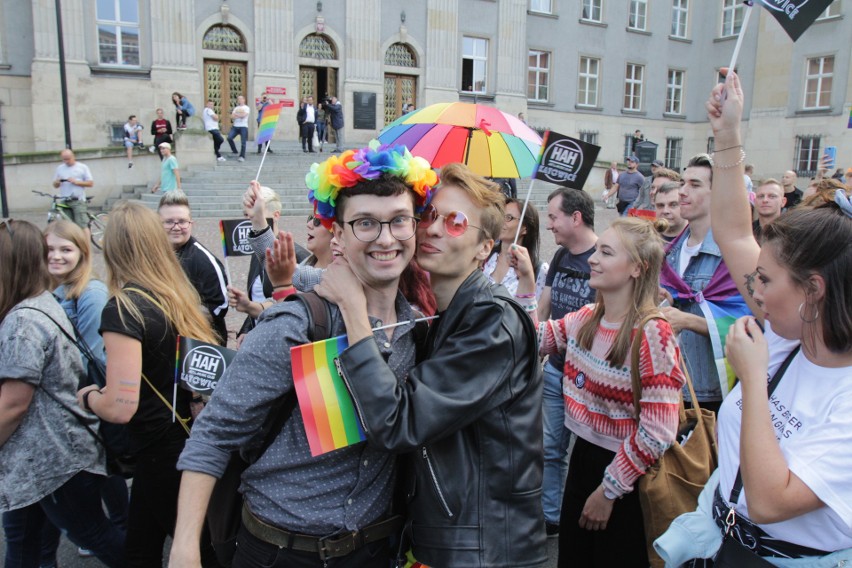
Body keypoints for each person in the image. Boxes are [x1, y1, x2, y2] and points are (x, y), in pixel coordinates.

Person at [169, 144, 438, 568]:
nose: (386, 238)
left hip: (372, 550)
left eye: (399, 221)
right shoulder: (298, 326)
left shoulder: (417, 327)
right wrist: (185, 549)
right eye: (366, 223)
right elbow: (214, 433)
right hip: (281, 552)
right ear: (340, 234)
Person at [657, 69, 852, 566]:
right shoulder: (792, 334)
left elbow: (769, 501)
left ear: (813, 291)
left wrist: (752, 378)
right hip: (723, 540)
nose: (753, 291)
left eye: (764, 281)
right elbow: (734, 232)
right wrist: (728, 136)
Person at [316, 163, 546, 567]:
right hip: (451, 537)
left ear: (484, 248)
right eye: (429, 215)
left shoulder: (494, 320)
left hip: (484, 549)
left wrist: (353, 308)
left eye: (456, 222)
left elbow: (398, 422)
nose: (434, 229)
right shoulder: (447, 312)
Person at [512, 217, 685, 567]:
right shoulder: (587, 317)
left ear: (637, 268)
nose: (592, 258)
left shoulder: (653, 333)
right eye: (597, 250)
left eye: (606, 252)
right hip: (582, 463)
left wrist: (609, 491)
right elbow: (533, 338)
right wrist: (528, 284)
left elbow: (657, 432)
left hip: (628, 479)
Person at [75, 202, 220, 567]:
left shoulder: (124, 308)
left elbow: (121, 406)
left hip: (158, 447)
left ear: (115, 248)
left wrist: (89, 396)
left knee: (199, 552)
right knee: (140, 547)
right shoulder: (174, 295)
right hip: (180, 436)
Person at [0, 220, 126, 568]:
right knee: (28, 545)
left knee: (94, 535)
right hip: (42, 462)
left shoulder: (23, 321)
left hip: (52, 460)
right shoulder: (39, 301)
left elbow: (14, 403)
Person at [43, 220, 131, 558]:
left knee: (104, 463)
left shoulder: (89, 293)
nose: (57, 256)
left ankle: (122, 529)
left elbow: (99, 355)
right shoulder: (56, 292)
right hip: (73, 400)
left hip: (88, 396)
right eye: (51, 249)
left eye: (65, 249)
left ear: (82, 253)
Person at [659, 153, 751, 414]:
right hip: (669, 385)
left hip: (713, 391)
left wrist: (689, 321)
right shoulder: (671, 252)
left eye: (695, 185)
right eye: (683, 183)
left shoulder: (734, 258)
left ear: (720, 193)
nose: (682, 193)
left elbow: (754, 327)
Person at [536, 188, 598, 538]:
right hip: (556, 371)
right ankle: (551, 517)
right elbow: (544, 306)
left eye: (553, 217)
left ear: (576, 218)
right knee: (551, 448)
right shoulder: (560, 256)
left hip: (589, 378)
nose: (549, 225)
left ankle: (592, 513)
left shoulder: (604, 256)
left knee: (590, 450)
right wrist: (538, 346)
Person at [158, 191, 229, 345]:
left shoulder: (204, 261)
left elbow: (220, 307)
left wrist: (180, 313)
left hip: (198, 346)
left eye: (182, 222)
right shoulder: (153, 255)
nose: (176, 227)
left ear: (191, 223)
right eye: (169, 222)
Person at [482, 197, 548, 298]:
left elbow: (536, 311)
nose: (501, 222)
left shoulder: (539, 269)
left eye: (508, 218)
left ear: (525, 228)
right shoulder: (485, 255)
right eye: (501, 216)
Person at [52, 149, 94, 239]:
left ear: (73, 156)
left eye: (68, 159)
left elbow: (90, 183)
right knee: (68, 226)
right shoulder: (60, 168)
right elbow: (55, 185)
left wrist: (76, 182)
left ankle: (87, 249)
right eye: (64, 159)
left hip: (77, 200)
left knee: (82, 225)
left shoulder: (82, 167)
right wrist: (57, 182)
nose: (66, 161)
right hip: (65, 200)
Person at [227, 95, 250, 162]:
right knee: (229, 138)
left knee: (243, 142)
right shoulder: (236, 108)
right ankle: (234, 151)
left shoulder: (246, 108)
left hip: (243, 126)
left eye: (241, 99)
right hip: (235, 126)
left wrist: (236, 115)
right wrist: (238, 115)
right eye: (238, 99)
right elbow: (232, 117)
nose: (239, 100)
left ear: (244, 100)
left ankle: (242, 156)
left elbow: (243, 116)